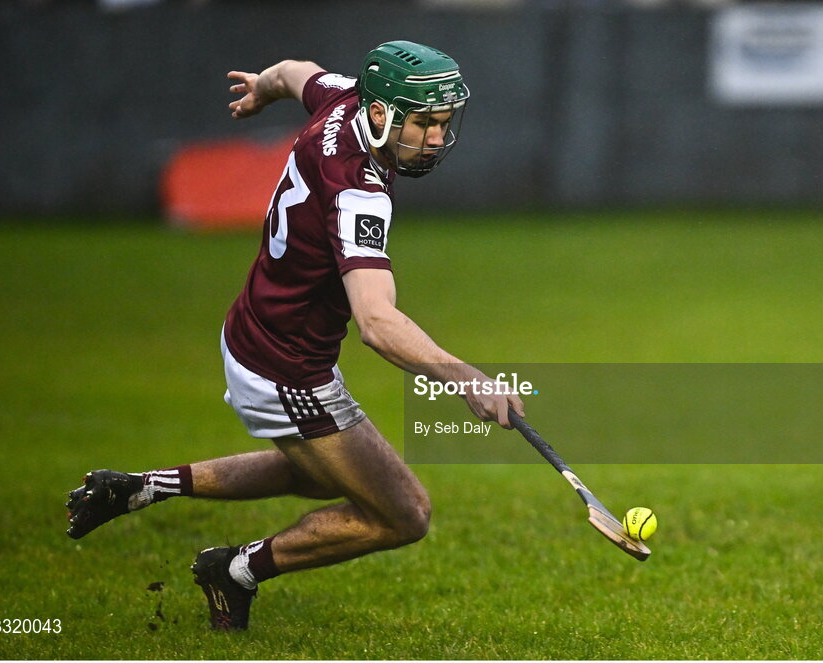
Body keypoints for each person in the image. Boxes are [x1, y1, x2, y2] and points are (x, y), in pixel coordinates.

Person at [65, 40, 524, 631]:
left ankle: (136, 488)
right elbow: (378, 325)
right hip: (288, 368)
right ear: (382, 115)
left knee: (315, 473)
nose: (438, 138)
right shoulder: (359, 189)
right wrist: (468, 380)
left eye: (444, 123)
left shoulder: (342, 98)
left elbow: (292, 72)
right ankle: (234, 570)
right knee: (405, 513)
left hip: (254, 332)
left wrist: (262, 87)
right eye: (426, 123)